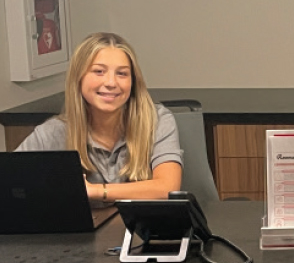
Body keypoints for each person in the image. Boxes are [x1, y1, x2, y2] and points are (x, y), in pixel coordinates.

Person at [16, 32, 182, 204]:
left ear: (133, 81)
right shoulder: (52, 132)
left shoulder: (157, 120)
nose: (111, 83)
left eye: (122, 73)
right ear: (78, 78)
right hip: (84, 221)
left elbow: (167, 188)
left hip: (142, 221)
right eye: (99, 71)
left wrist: (94, 190)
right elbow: (10, 182)